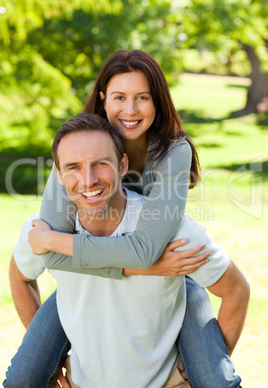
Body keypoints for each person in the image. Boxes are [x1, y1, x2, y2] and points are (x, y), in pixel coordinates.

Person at [4, 50, 242, 387]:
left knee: (215, 378)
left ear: (157, 102)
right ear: (102, 100)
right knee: (22, 377)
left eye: (142, 98)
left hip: (168, 276)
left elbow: (139, 249)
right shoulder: (78, 148)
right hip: (88, 282)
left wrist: (153, 267)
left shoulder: (173, 152)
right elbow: (50, 257)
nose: (129, 110)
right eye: (119, 97)